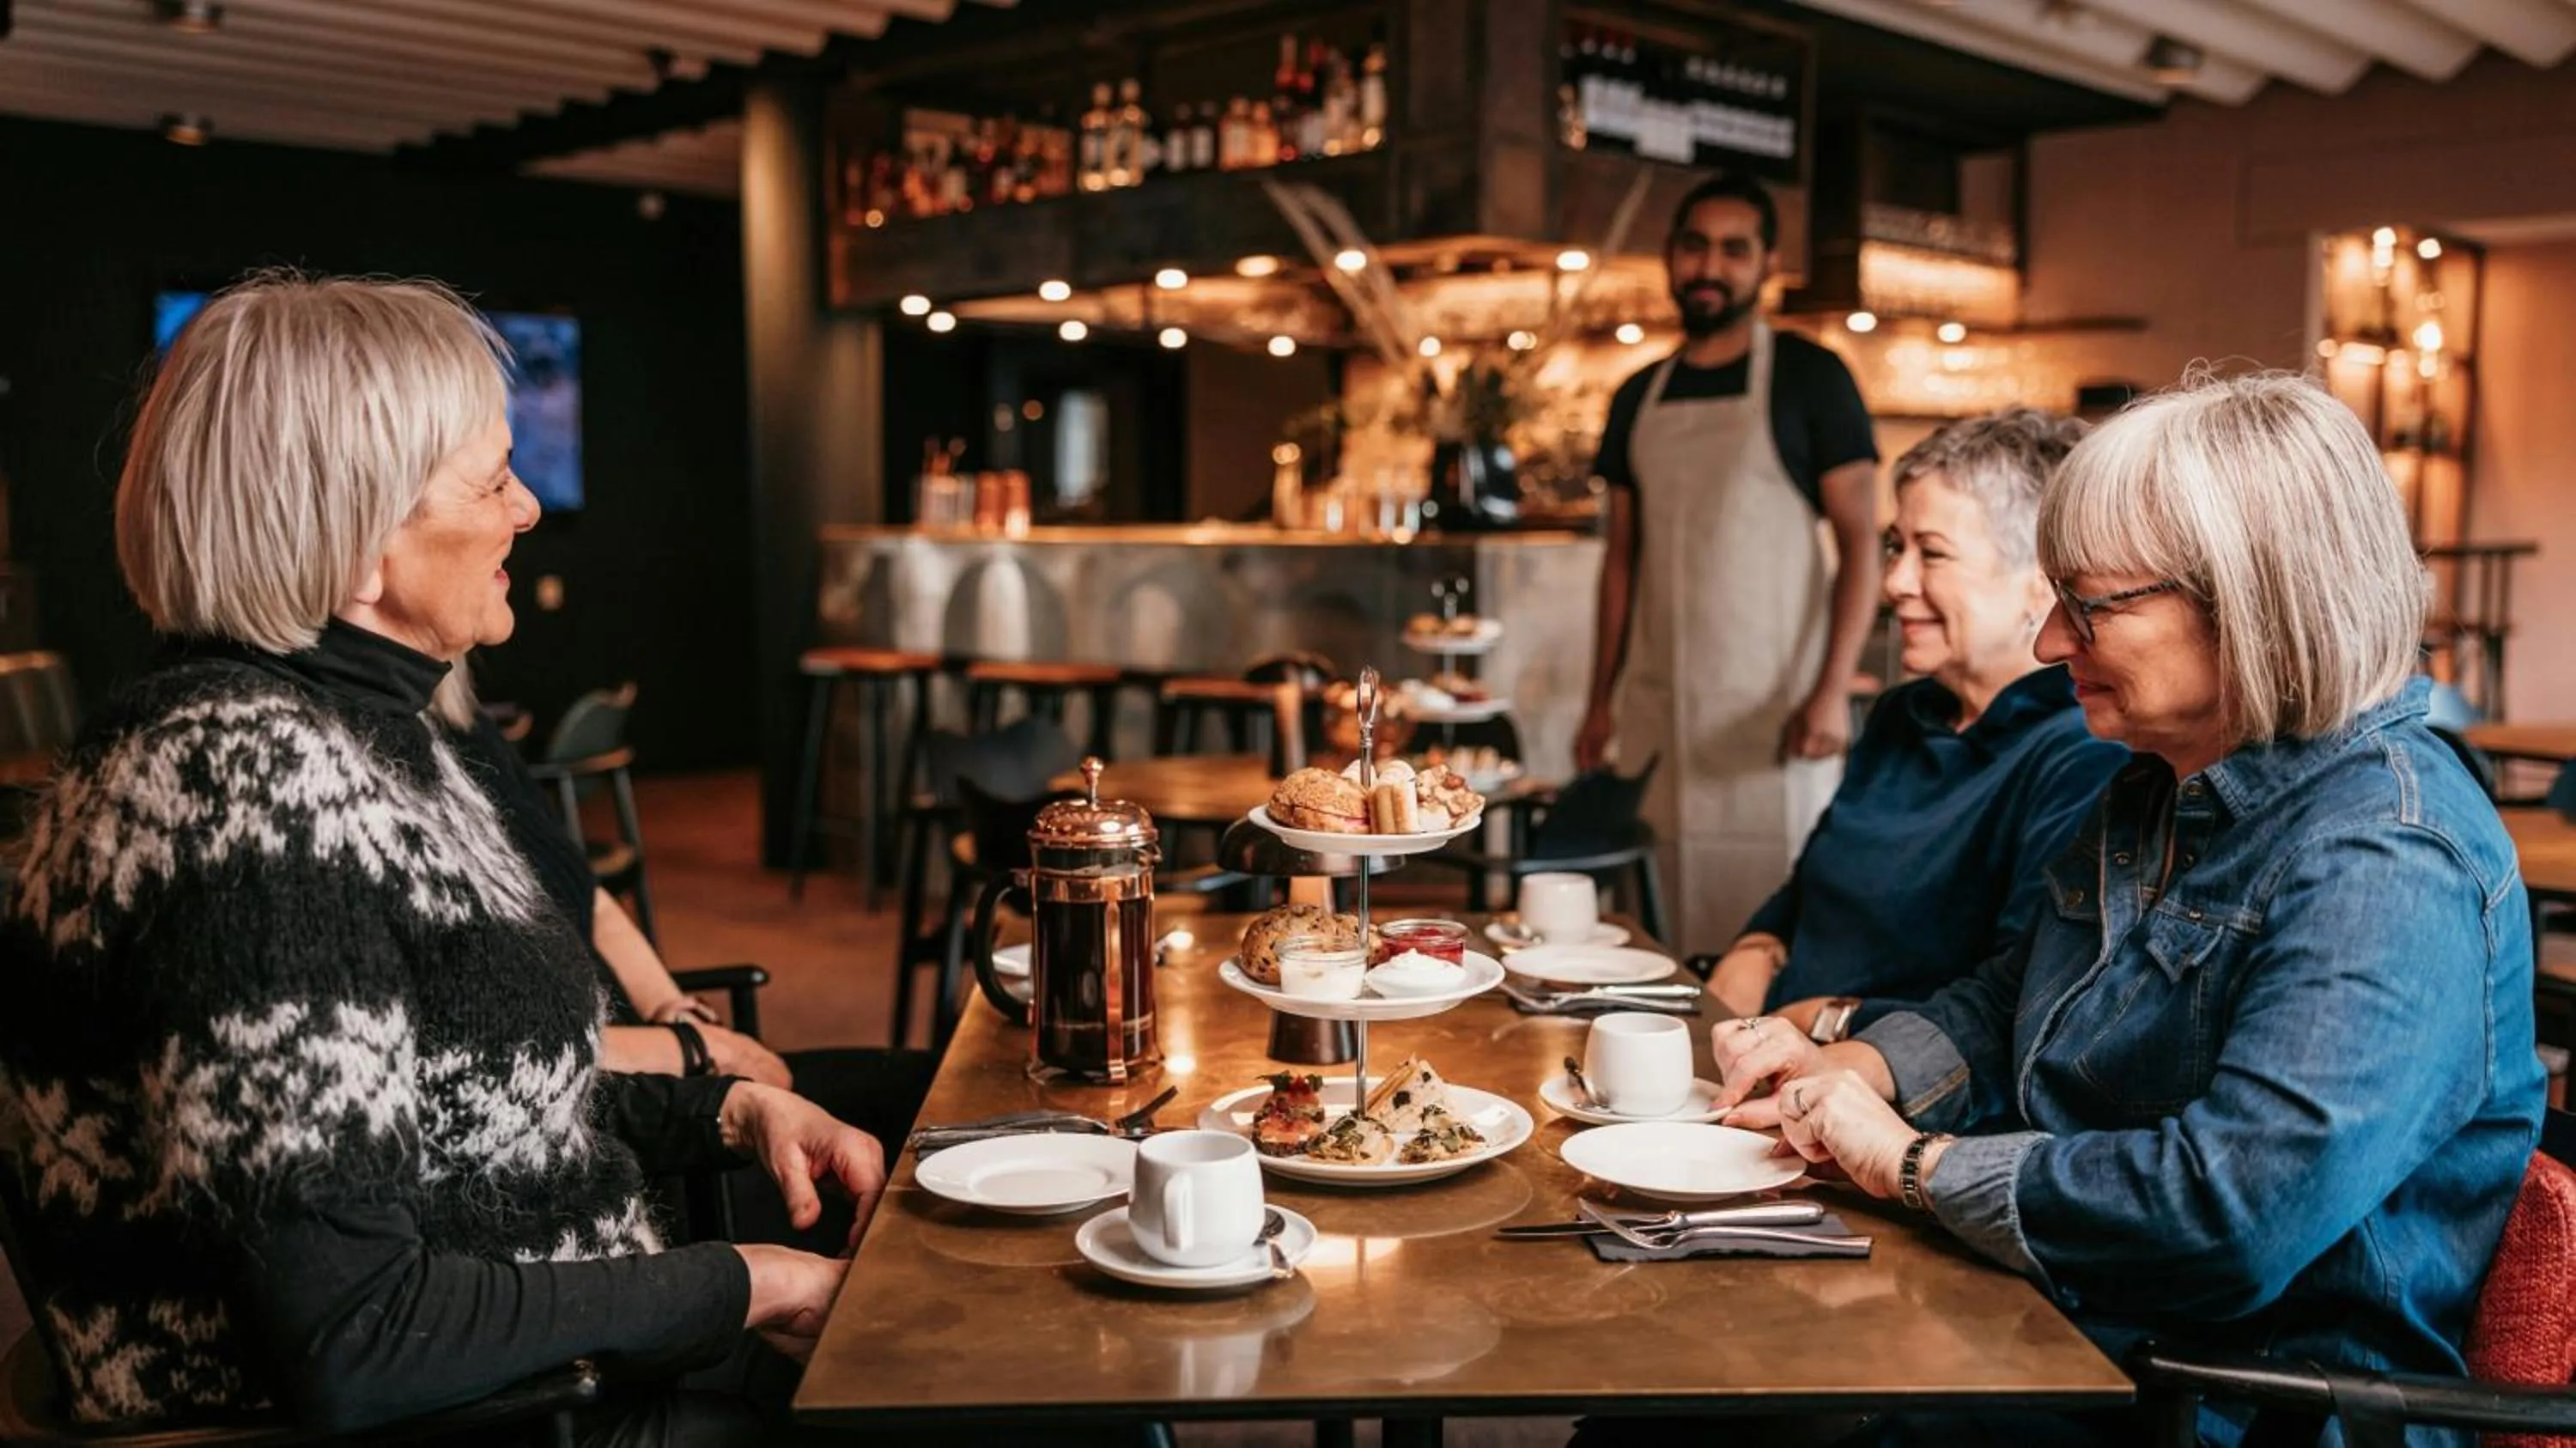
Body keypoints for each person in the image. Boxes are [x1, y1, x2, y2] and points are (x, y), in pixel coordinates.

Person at [0, 274, 875, 1446]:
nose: (524, 511)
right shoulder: (231, 784)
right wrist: (749, 1280)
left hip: (563, 1375)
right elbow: (360, 1331)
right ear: (358, 539)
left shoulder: (371, 739)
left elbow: (450, 1100)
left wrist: (726, 1111)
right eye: (490, 480)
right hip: (496, 1419)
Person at [1693, 373, 2543, 1447]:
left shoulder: (2388, 855)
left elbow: (2228, 1214)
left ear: (2251, 599)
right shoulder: (2159, 783)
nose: (2052, 643)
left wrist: (1915, 1166)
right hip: (2092, 1323)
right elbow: (2016, 999)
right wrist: (1857, 1072)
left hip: (2240, 1398)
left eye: (2088, 605)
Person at [1701, 409, 2128, 1034]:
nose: (1894, 582)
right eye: (1896, 546)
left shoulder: (2082, 751)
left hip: (1882, 1097)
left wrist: (1827, 1022)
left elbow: (2018, 1003)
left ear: (2042, 583)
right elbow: (1815, 887)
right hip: (1774, 1050)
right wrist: (1756, 947)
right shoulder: (1906, 712)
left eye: (1932, 553)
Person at [1575, 170, 1883, 955]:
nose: (1710, 267)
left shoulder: (1812, 378)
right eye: (1695, 247)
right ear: (1670, 258)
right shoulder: (1636, 394)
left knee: (1770, 924)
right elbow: (1621, 562)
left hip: (1774, 714)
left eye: (1733, 250)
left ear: (1766, 264)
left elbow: (1860, 546)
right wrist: (1597, 701)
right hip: (1658, 711)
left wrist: (1829, 694)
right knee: (1653, 920)